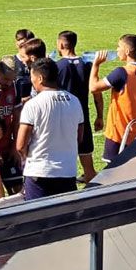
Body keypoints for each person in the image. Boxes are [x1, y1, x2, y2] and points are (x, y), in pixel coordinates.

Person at [90, 34, 136, 164]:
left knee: (113, 171)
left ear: (127, 51)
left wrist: (96, 65)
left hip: (120, 133)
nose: (117, 50)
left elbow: (94, 88)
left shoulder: (122, 73)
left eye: (119, 47)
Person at [17, 58, 82, 200]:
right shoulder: (75, 101)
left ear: (40, 78)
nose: (31, 81)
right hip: (67, 171)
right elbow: (79, 137)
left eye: (32, 76)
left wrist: (29, 158)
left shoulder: (33, 104)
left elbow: (21, 145)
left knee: (37, 216)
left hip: (39, 172)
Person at [55, 30, 105, 183]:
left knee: (62, 153)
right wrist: (99, 116)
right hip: (82, 115)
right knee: (86, 156)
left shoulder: (58, 66)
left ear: (61, 44)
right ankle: (89, 177)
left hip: (62, 116)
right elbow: (97, 93)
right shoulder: (87, 65)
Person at [0, 61, 25, 195]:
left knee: (17, 189)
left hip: (8, 147)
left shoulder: (14, 87)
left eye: (12, 80)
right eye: (6, 79)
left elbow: (17, 118)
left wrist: (15, 146)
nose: (8, 83)